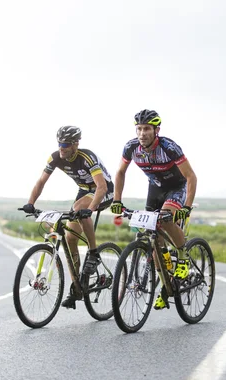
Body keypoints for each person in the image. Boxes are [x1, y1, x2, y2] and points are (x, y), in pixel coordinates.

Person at [110, 109, 197, 310]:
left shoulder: (169, 147)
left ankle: (183, 257)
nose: (142, 133)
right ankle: (166, 283)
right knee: (153, 235)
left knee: (165, 220)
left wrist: (187, 207)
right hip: (155, 189)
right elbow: (120, 172)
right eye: (139, 129)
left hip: (177, 187)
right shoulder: (131, 147)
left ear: (156, 129)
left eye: (147, 129)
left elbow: (191, 177)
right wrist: (117, 199)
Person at [22, 126, 114, 309]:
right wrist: (31, 203)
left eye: (65, 144)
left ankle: (94, 253)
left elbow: (101, 187)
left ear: (75, 144)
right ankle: (77, 287)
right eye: (59, 143)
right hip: (84, 190)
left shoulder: (87, 157)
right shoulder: (56, 157)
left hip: (103, 190)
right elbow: (41, 181)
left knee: (79, 208)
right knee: (70, 237)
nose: (61, 147)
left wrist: (91, 208)